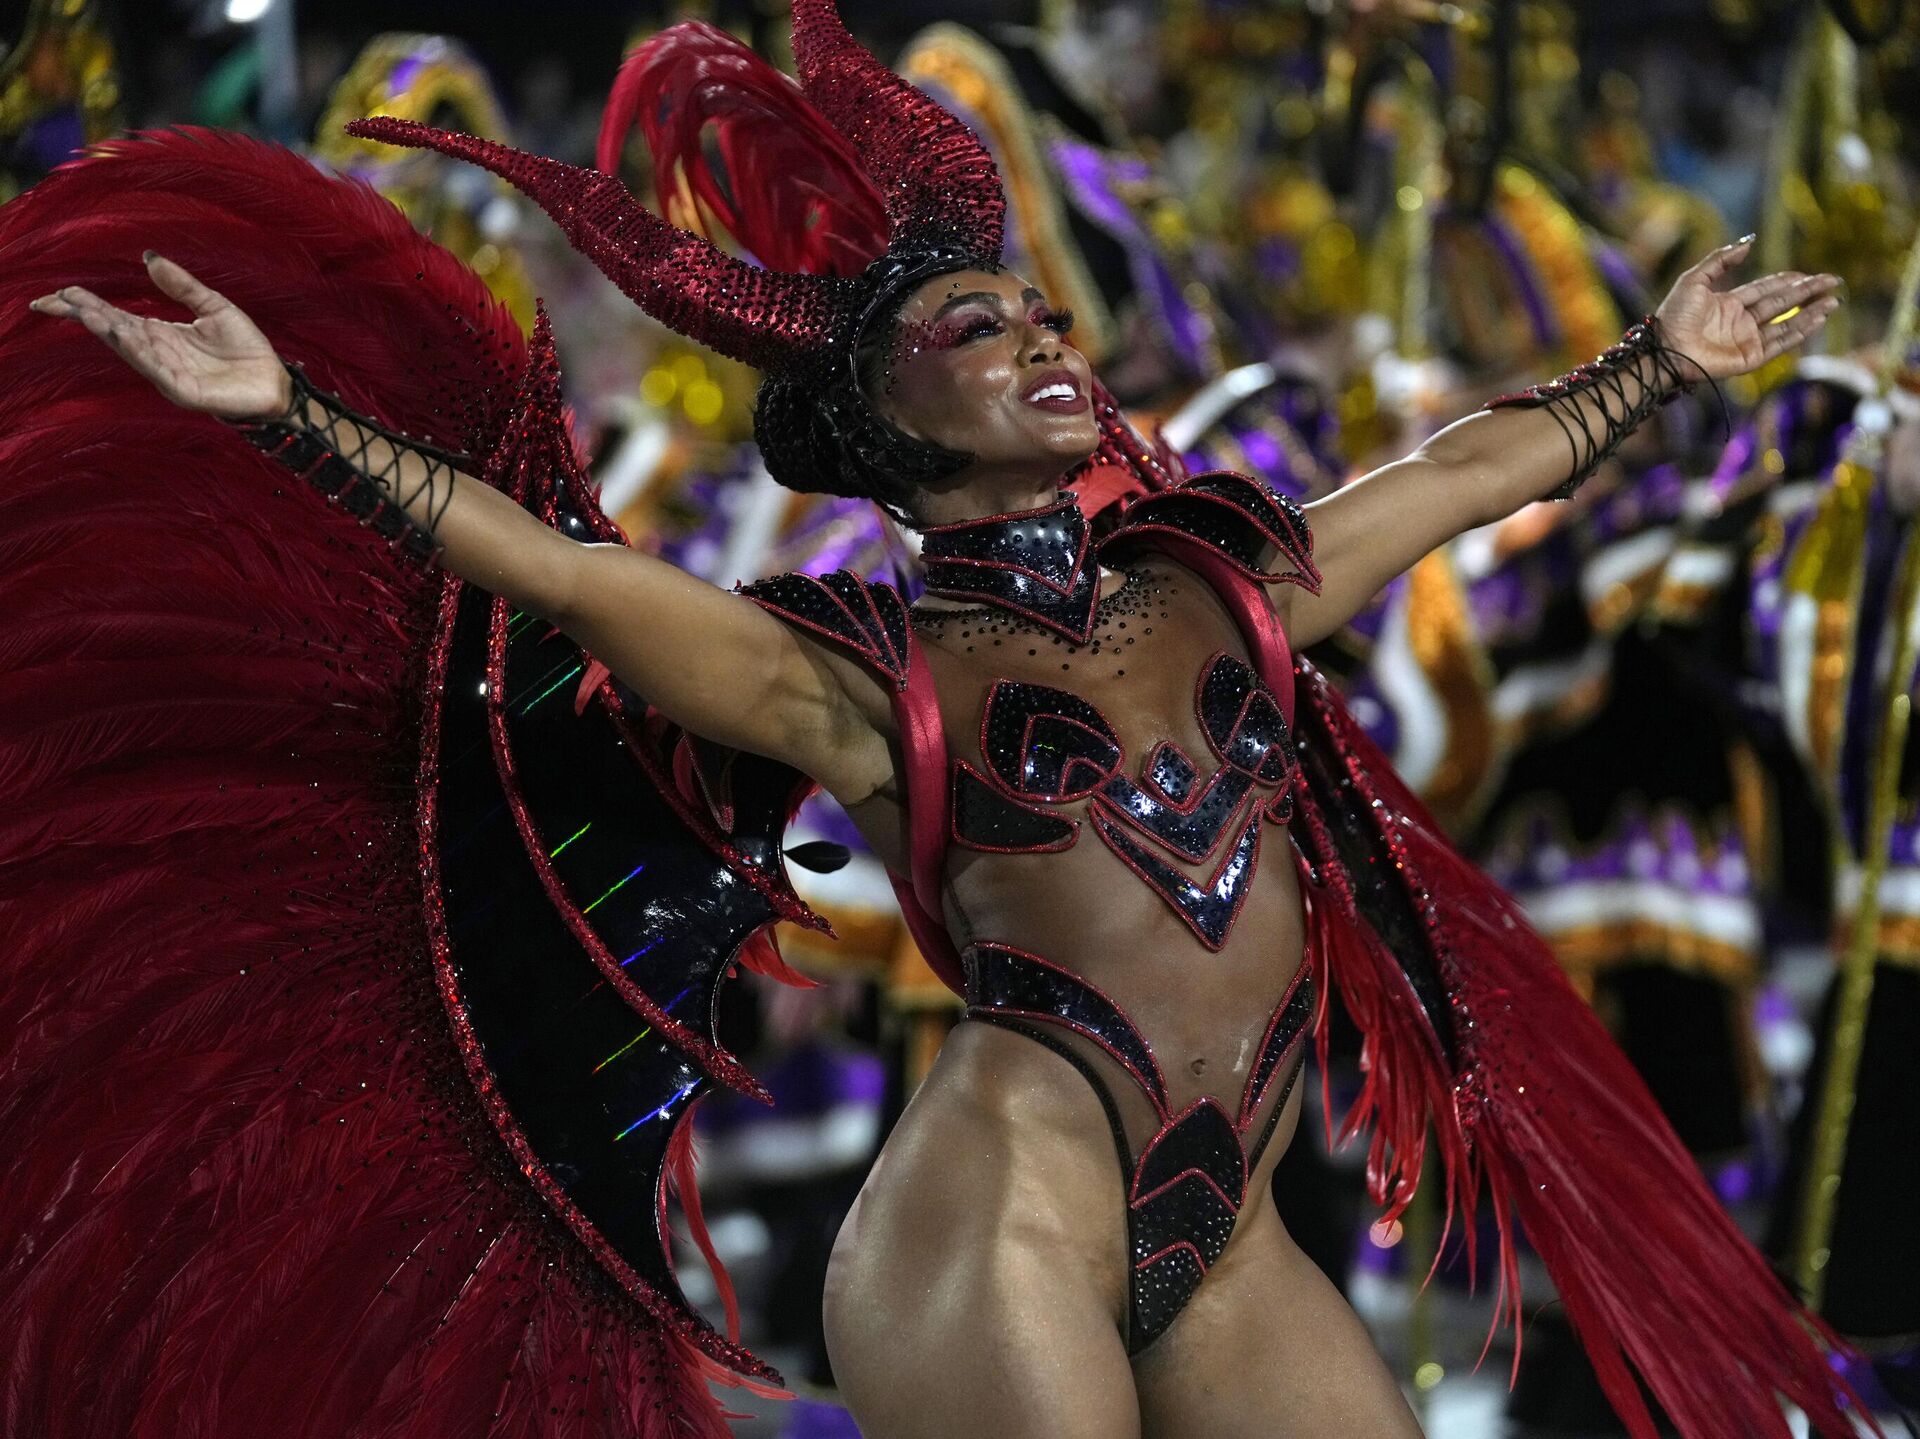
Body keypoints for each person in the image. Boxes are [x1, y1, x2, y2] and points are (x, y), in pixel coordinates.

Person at [2, 5, 1866, 1438]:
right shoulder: (867, 679)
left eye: (1045, 310)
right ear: (881, 413)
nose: (1050, 341)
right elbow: (565, 582)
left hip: (1225, 1233)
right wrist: (286, 418)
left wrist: (1660, 366)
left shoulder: (1230, 581)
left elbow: (1461, 478)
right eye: (982, 327)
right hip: (998, 1227)